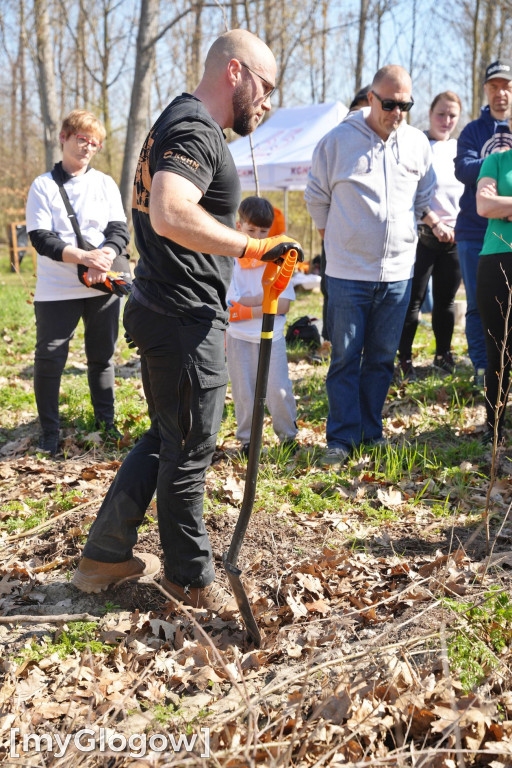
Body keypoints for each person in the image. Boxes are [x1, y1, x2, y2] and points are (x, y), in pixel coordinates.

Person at [72, 30, 302, 611]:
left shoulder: (179, 120)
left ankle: (104, 554)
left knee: (167, 435)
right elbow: (173, 212)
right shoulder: (197, 128)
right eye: (266, 86)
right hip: (181, 318)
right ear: (234, 72)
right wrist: (252, 250)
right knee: (192, 446)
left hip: (165, 307)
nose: (269, 102)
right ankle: (191, 578)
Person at [305, 65, 436, 464]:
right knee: (345, 357)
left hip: (398, 274)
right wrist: (333, 238)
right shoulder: (337, 141)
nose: (397, 112)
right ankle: (341, 439)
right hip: (347, 274)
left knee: (381, 358)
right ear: (371, 98)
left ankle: (370, 430)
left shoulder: (416, 144)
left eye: (405, 105)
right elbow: (316, 196)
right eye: (390, 104)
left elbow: (423, 196)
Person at [26, 109, 130, 457]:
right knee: (49, 359)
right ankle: (49, 432)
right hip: (56, 289)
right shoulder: (43, 186)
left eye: (94, 143)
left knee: (101, 358)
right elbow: (41, 238)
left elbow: (118, 230)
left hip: (101, 285)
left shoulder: (104, 184)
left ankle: (106, 423)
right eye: (81, 139)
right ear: (64, 138)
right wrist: (84, 258)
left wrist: (105, 255)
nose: (87, 147)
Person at [397, 91, 464, 379]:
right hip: (421, 235)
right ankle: (403, 360)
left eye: (452, 115)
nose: (446, 120)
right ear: (430, 113)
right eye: (441, 114)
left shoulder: (462, 149)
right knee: (413, 301)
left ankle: (443, 355)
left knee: (446, 302)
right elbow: (410, 191)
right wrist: (434, 222)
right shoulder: (417, 144)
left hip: (455, 239)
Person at [454, 59, 512, 388]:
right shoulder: (473, 130)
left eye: (506, 86)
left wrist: (496, 190)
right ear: (486, 91)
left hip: (508, 232)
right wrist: (495, 167)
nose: (500, 92)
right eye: (494, 86)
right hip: (475, 230)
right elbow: (463, 169)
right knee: (477, 303)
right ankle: (481, 365)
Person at [227, 196, 298, 457]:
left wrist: (249, 305)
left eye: (263, 232)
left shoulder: (278, 259)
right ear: (239, 227)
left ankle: (288, 436)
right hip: (238, 337)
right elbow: (231, 308)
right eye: (251, 231)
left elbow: (284, 304)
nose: (257, 237)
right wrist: (266, 300)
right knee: (244, 393)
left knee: (278, 390)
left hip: (272, 337)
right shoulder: (231, 261)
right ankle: (248, 441)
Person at [475, 128, 512, 443]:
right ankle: (495, 425)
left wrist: (507, 207)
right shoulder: (496, 161)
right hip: (497, 260)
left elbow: (497, 205)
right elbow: (485, 206)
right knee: (497, 348)